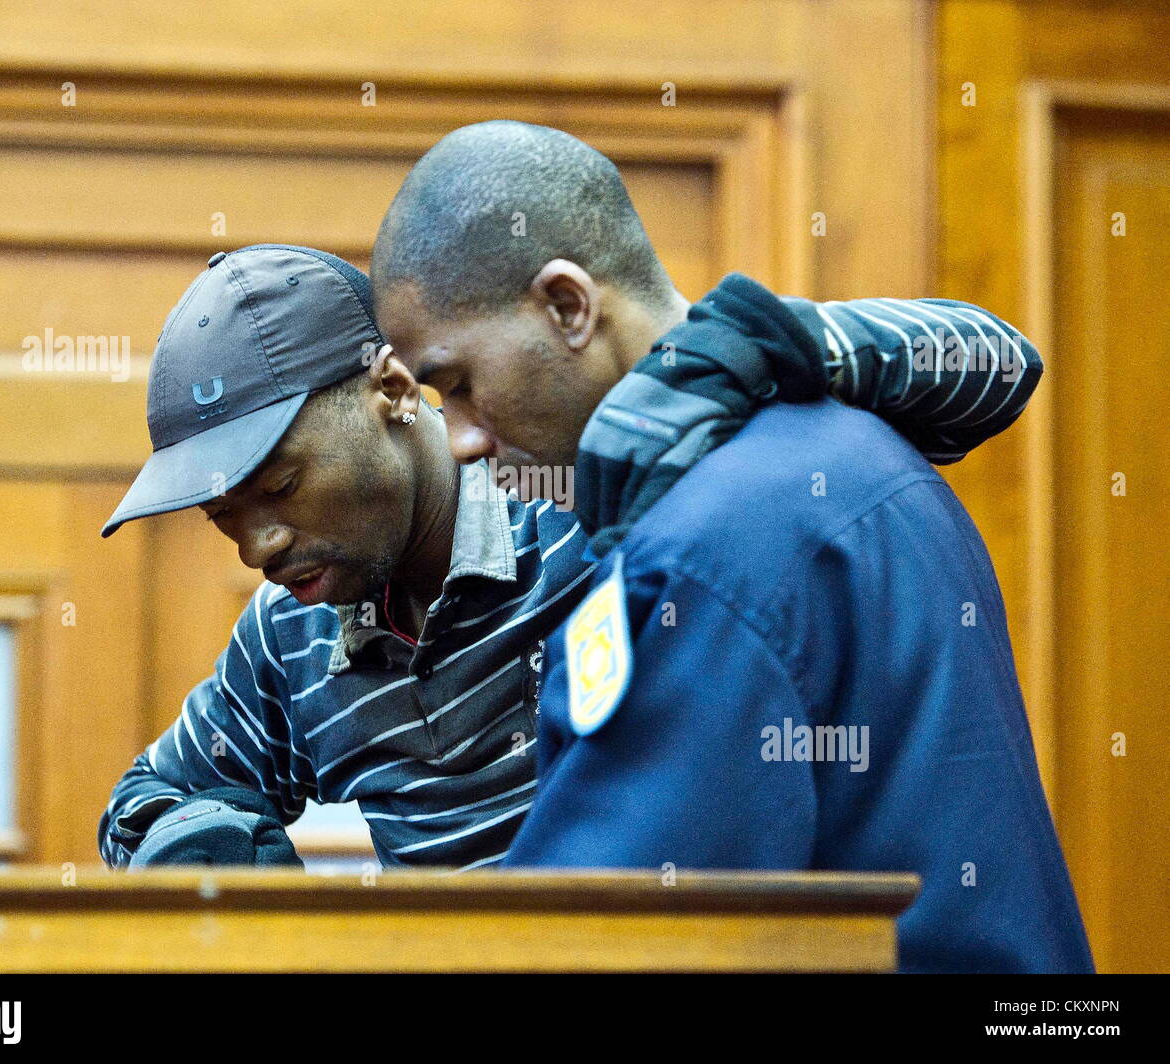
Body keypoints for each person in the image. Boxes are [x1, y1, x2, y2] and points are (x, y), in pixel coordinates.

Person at [369, 120, 1094, 972]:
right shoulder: (867, 454)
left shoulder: (693, 558)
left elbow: (601, 944)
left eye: (459, 384)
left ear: (568, 306)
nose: (458, 440)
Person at [98, 244, 1040, 877]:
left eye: (282, 486)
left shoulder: (597, 501)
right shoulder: (289, 632)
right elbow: (146, 800)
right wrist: (195, 847)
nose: (257, 544)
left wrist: (743, 349)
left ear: (390, 388)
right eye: (226, 516)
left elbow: (1000, 365)